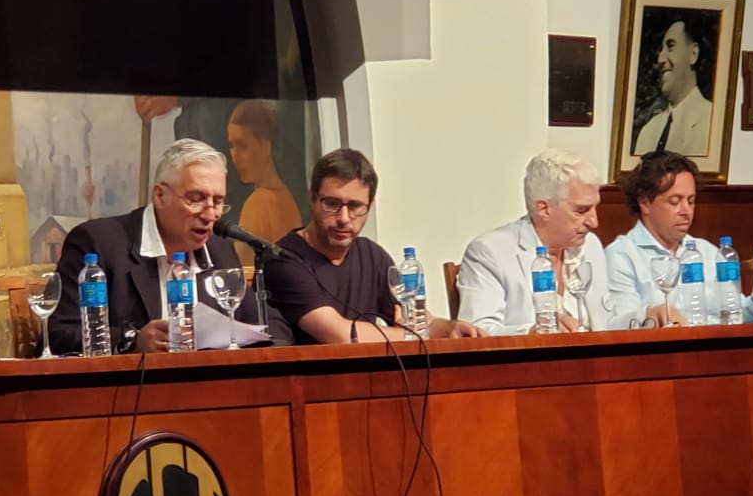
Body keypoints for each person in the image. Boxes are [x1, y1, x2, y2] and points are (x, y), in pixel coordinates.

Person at [49, 139, 291, 353]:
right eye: (196, 199)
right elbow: (59, 334)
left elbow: (272, 325)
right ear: (160, 196)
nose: (211, 215)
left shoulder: (219, 250)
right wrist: (131, 341)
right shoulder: (99, 243)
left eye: (218, 202)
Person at [263, 148, 481, 345]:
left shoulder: (372, 255)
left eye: (355, 206)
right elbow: (340, 336)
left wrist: (452, 329)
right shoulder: (282, 259)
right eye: (332, 204)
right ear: (312, 199)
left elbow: (417, 320)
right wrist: (412, 335)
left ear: (370, 206)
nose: (344, 218)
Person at [605, 151, 753, 327]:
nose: (686, 211)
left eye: (691, 201)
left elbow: (737, 315)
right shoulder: (622, 255)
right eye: (675, 202)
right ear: (645, 203)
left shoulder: (707, 251)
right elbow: (623, 326)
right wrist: (651, 315)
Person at [457, 148, 613, 335]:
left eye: (595, 208)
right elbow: (477, 333)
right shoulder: (490, 252)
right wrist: (533, 333)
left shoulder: (591, 245)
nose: (594, 222)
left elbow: (608, 322)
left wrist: (642, 317)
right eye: (581, 211)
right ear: (544, 209)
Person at [226, 99, 302, 266]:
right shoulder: (287, 198)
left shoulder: (258, 203)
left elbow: (242, 271)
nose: (235, 157)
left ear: (265, 146)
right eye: (231, 146)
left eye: (243, 146)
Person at [633, 14, 713, 156]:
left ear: (693, 54)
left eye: (670, 47)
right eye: (661, 50)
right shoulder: (648, 131)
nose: (660, 59)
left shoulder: (712, 122)